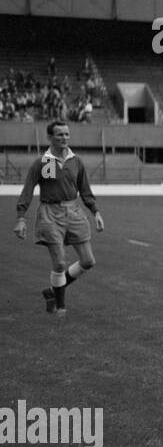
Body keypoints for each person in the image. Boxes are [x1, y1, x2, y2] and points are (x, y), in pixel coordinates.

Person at [13, 121, 105, 316]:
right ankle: (60, 308)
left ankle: (52, 291)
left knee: (88, 261)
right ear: (50, 137)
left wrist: (95, 212)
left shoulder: (76, 161)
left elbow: (85, 190)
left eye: (66, 134)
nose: (64, 138)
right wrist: (21, 217)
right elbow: (28, 189)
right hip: (50, 214)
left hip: (74, 212)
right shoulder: (44, 162)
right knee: (60, 263)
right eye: (59, 135)